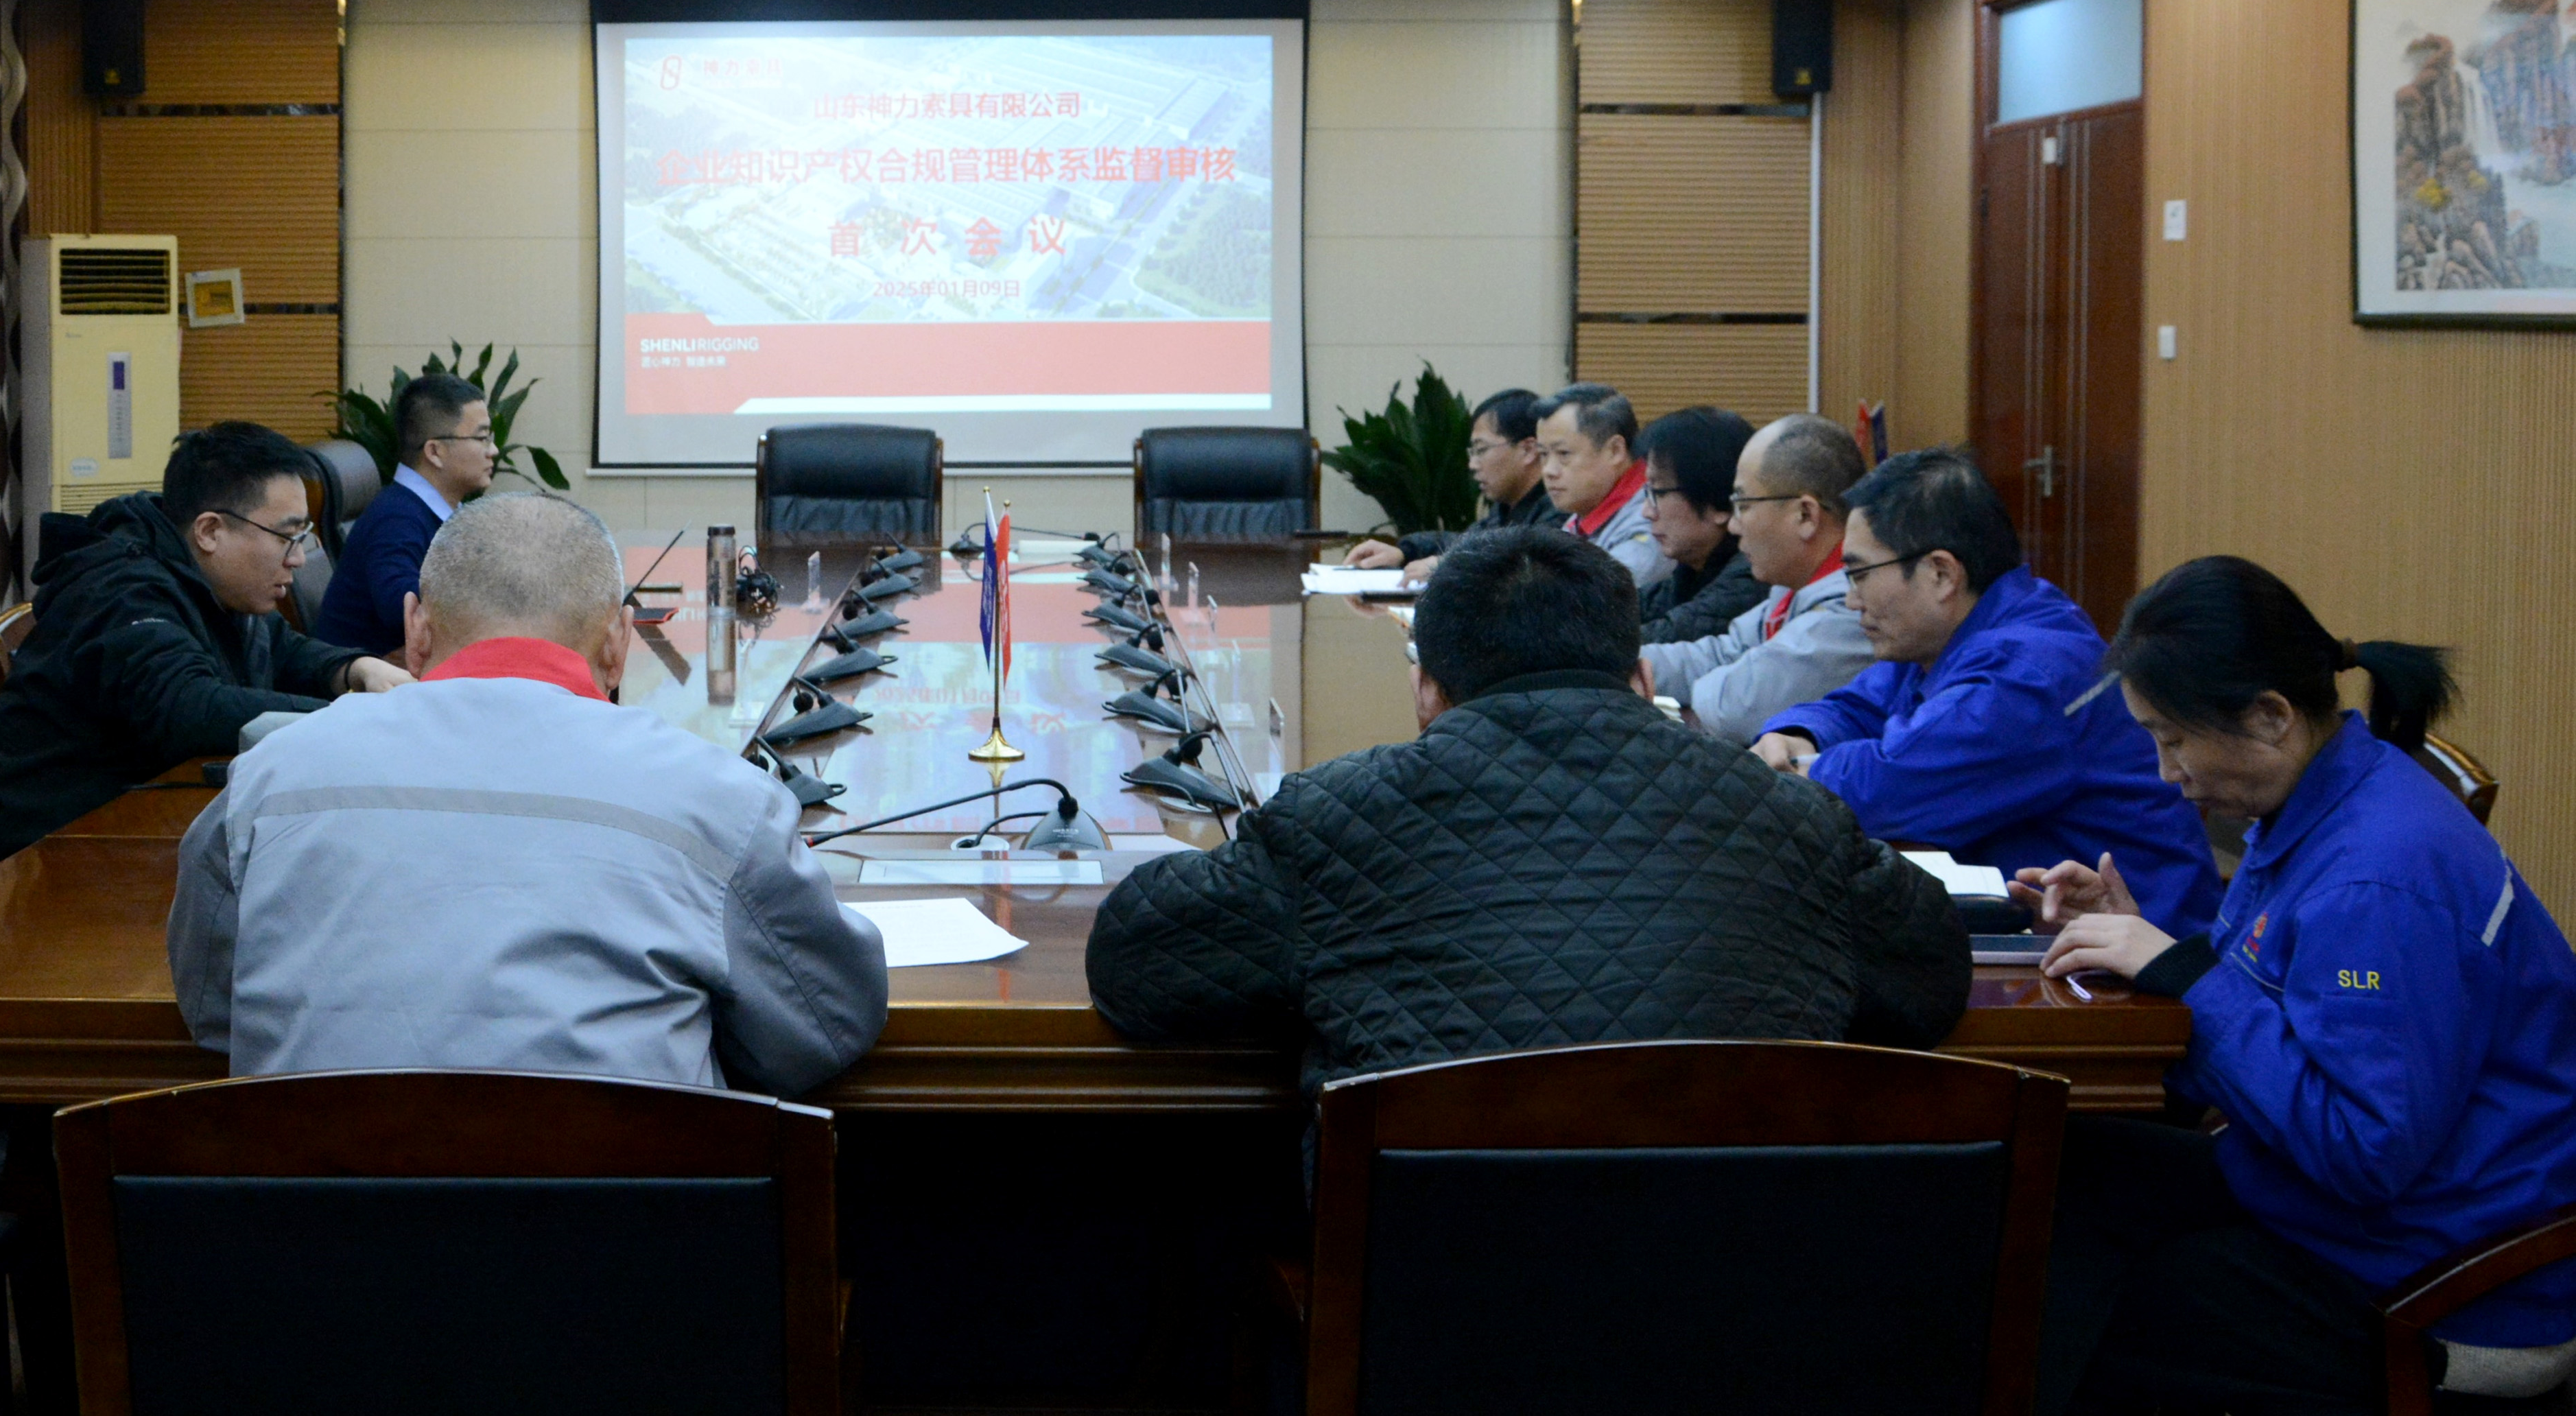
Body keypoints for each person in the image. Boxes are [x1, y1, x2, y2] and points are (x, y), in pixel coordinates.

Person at [1084, 526, 1971, 1091]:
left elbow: (1136, 967)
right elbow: (1932, 977)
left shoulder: (1334, 818)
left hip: (1428, 1309)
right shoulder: (1795, 820)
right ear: (1639, 678)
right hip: (1749, 1304)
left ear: (1426, 691)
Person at [2030, 558, 2576, 1414]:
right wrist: (2144, 946)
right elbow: (2273, 992)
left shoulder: (2376, 875)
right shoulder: (2319, 797)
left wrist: (2185, 976)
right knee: (2055, 1174)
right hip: (2359, 1204)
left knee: (2072, 1300)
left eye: (2174, 738)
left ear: (2270, 715)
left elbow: (2364, 1149)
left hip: (2448, 1275)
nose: (2167, 771)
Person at [169, 492, 889, 1092]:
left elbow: (211, 1009)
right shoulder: (721, 799)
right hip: (625, 1218)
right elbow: (824, 1026)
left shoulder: (269, 776)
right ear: (619, 642)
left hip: (317, 1218)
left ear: (416, 628)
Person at [1751, 448, 2222, 931]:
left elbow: (1889, 788)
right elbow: (1857, 706)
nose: (1852, 599)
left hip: (2141, 953)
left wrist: (1796, 768)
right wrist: (1798, 733)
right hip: (2048, 931)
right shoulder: (1950, 636)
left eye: (1859, 574)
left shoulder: (2030, 672)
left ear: (1940, 573)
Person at [0, 423, 414, 864]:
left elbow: (282, 650)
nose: (298, 557)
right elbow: (187, 707)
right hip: (52, 857)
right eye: (287, 537)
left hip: (144, 827)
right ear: (210, 532)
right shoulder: (120, 590)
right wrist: (350, 718)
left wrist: (354, 669)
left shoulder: (215, 580)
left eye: (303, 536)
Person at [1646, 412, 1876, 738]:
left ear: (1805, 515)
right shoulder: (1791, 587)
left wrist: (1677, 703)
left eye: (1743, 505)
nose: (1734, 525)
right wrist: (1625, 663)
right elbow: (1723, 653)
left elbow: (1737, 709)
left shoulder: (1854, 607)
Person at [309, 372, 493, 659]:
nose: (493, 450)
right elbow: (401, 608)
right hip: (365, 678)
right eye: (482, 438)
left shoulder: (438, 512)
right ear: (435, 452)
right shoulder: (397, 518)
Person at [1344, 386, 1553, 580]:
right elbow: (1465, 543)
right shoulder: (1506, 509)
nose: (1472, 465)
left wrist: (1451, 566)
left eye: (1481, 450)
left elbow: (1528, 567)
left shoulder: (1558, 509)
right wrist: (1403, 552)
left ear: (1528, 450)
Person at [1633, 405, 1765, 643]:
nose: (1647, 512)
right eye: (1648, 493)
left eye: (1659, 493)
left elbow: (1660, 637)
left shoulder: (1751, 579)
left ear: (1720, 505)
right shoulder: (1692, 571)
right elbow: (1622, 609)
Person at [1534, 383, 1666, 589]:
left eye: (1563, 454)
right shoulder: (1581, 512)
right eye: (1543, 454)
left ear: (1615, 450)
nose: (1548, 471)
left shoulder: (1650, 523)